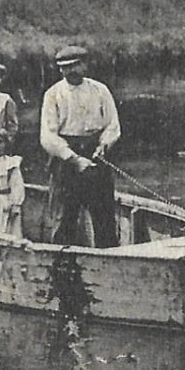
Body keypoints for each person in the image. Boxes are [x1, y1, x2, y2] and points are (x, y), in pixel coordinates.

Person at [40, 45, 121, 248]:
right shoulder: (53, 94)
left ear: (85, 66)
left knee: (104, 217)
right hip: (65, 157)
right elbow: (48, 135)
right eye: (65, 68)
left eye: (75, 66)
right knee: (64, 216)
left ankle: (108, 258)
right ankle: (61, 262)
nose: (71, 72)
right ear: (60, 70)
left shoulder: (100, 90)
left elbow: (112, 125)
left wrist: (104, 145)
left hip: (95, 153)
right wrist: (73, 159)